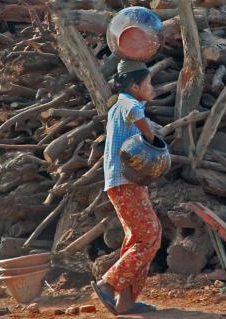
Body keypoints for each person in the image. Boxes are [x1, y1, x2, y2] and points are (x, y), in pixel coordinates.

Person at [91, 59, 162, 315]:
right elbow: (135, 112)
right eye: (148, 83)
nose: (152, 87)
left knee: (139, 238)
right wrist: (150, 136)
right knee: (150, 236)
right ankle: (107, 284)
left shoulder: (120, 103)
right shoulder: (127, 102)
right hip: (125, 182)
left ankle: (126, 301)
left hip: (123, 182)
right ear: (134, 86)